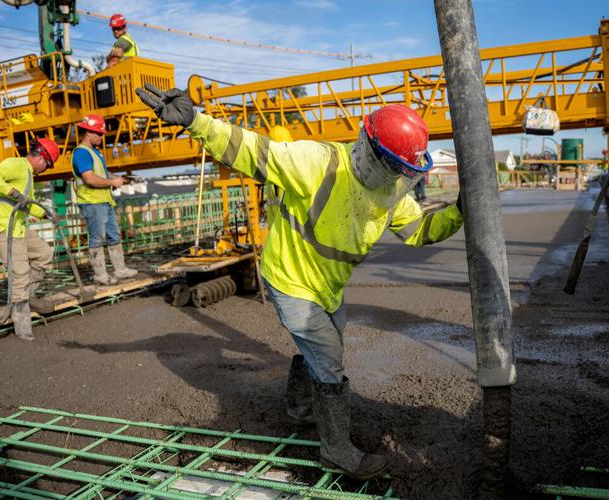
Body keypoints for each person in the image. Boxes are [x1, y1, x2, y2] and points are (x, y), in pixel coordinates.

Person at [136, 84, 464, 479]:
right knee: (328, 359)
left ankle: (301, 409)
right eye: (393, 167)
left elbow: (420, 229)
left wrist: (462, 210)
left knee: (324, 349)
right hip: (290, 280)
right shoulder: (318, 161)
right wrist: (195, 120)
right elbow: (250, 149)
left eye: (402, 171)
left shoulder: (390, 189)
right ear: (371, 150)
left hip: (327, 286)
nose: (396, 176)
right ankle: (337, 450)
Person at [0, 138, 61, 341]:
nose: (46, 169)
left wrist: (45, 214)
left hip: (18, 227)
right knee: (20, 272)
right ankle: (22, 323)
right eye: (47, 165)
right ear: (42, 158)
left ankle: (28, 295)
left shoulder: (27, 175)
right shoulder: (16, 165)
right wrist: (12, 191)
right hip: (4, 227)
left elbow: (27, 204)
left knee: (44, 253)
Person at [71, 114, 137, 285]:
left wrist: (115, 179)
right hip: (92, 203)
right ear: (88, 133)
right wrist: (111, 182)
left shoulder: (95, 152)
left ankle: (120, 270)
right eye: (99, 134)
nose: (102, 137)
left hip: (104, 201)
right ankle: (100, 275)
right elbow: (90, 179)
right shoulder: (81, 153)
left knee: (114, 236)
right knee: (97, 238)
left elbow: (101, 174)